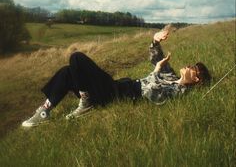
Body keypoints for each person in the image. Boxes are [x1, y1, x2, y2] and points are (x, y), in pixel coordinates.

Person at [22, 26, 211, 127]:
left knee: (76, 58)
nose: (188, 66)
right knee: (67, 71)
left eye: (194, 68)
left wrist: (155, 72)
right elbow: (156, 57)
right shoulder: (170, 76)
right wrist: (155, 40)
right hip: (118, 87)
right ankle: (45, 111)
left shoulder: (179, 92)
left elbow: (155, 96)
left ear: (197, 80)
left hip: (118, 95)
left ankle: (86, 102)